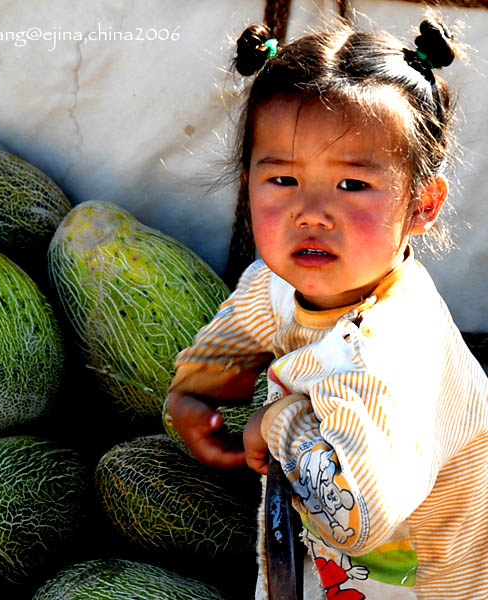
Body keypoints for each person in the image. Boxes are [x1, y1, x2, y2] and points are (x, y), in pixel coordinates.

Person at [166, 16, 488, 600]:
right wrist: (195, 388)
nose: (310, 212)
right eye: (283, 179)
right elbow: (249, 319)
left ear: (423, 203)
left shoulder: (384, 354)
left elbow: (357, 515)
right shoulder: (283, 281)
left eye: (351, 186)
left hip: (421, 573)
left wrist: (276, 423)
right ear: (247, 186)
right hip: (323, 553)